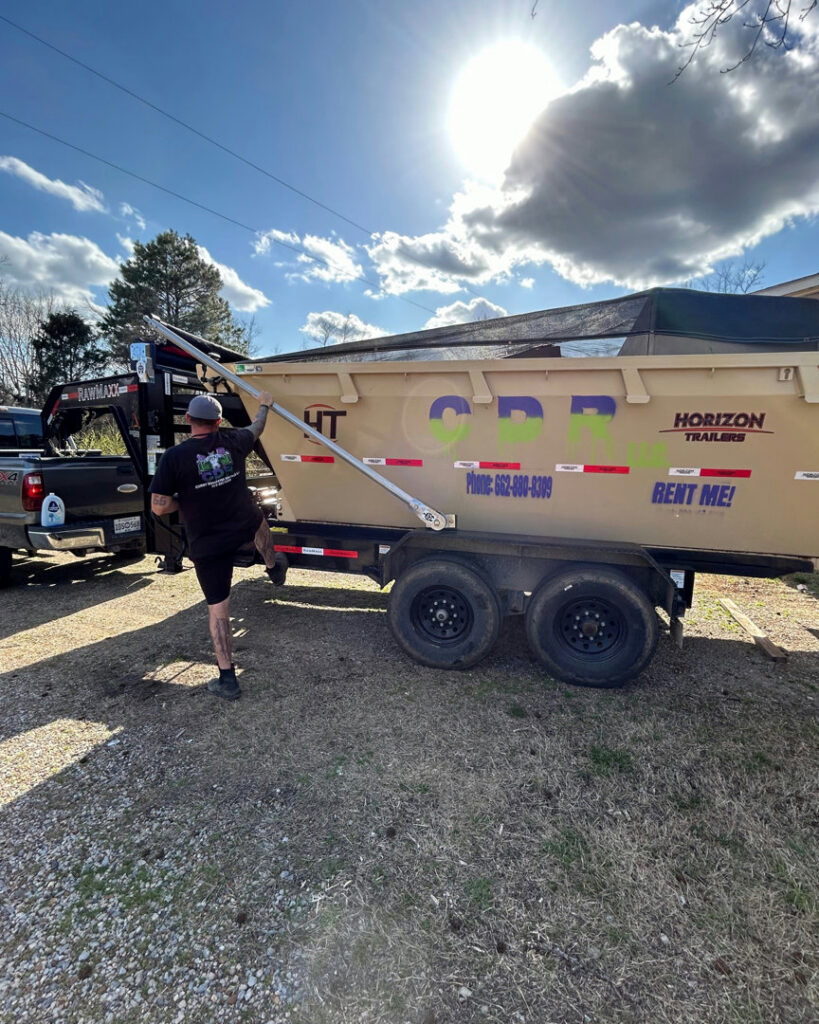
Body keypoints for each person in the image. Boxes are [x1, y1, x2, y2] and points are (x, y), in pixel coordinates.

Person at [149, 391, 279, 701]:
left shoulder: (174, 457)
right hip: (241, 522)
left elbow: (159, 507)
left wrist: (187, 498)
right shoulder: (234, 441)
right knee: (261, 523)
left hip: (208, 543)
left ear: (188, 420)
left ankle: (227, 678)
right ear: (218, 422)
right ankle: (273, 567)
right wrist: (265, 404)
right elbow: (257, 427)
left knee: (219, 612)